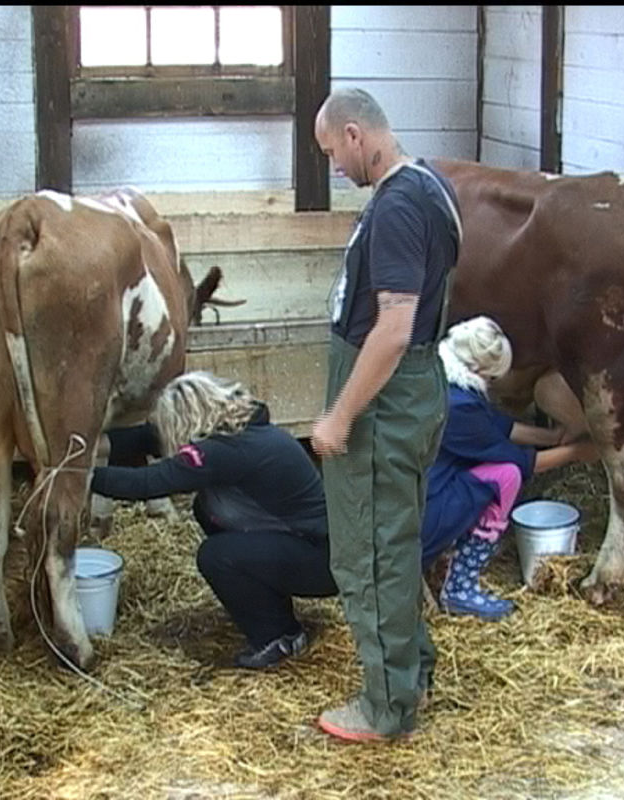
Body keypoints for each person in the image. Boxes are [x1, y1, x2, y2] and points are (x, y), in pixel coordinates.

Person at [309, 88, 462, 742]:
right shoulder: (430, 184)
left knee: (371, 553)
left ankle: (387, 706)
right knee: (393, 543)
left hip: (384, 400)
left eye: (332, 155)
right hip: (412, 391)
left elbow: (394, 327)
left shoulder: (399, 205)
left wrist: (341, 415)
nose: (336, 170)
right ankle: (411, 673)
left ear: (354, 134)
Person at [90, 371, 337, 670]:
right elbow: (146, 439)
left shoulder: (228, 451)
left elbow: (147, 482)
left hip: (323, 561)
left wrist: (79, 477)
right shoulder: (239, 432)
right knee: (207, 510)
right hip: (313, 549)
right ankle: (270, 608)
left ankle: (281, 636)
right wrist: (82, 444)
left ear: (186, 421)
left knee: (217, 556)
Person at [422, 316, 600, 619]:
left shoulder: (443, 384)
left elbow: (497, 427)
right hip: (425, 514)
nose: (492, 385)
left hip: (421, 494)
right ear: (477, 370)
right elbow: (524, 462)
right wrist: (575, 452)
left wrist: (552, 437)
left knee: (499, 471)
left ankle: (450, 565)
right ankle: (460, 588)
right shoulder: (460, 407)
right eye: (491, 378)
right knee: (507, 476)